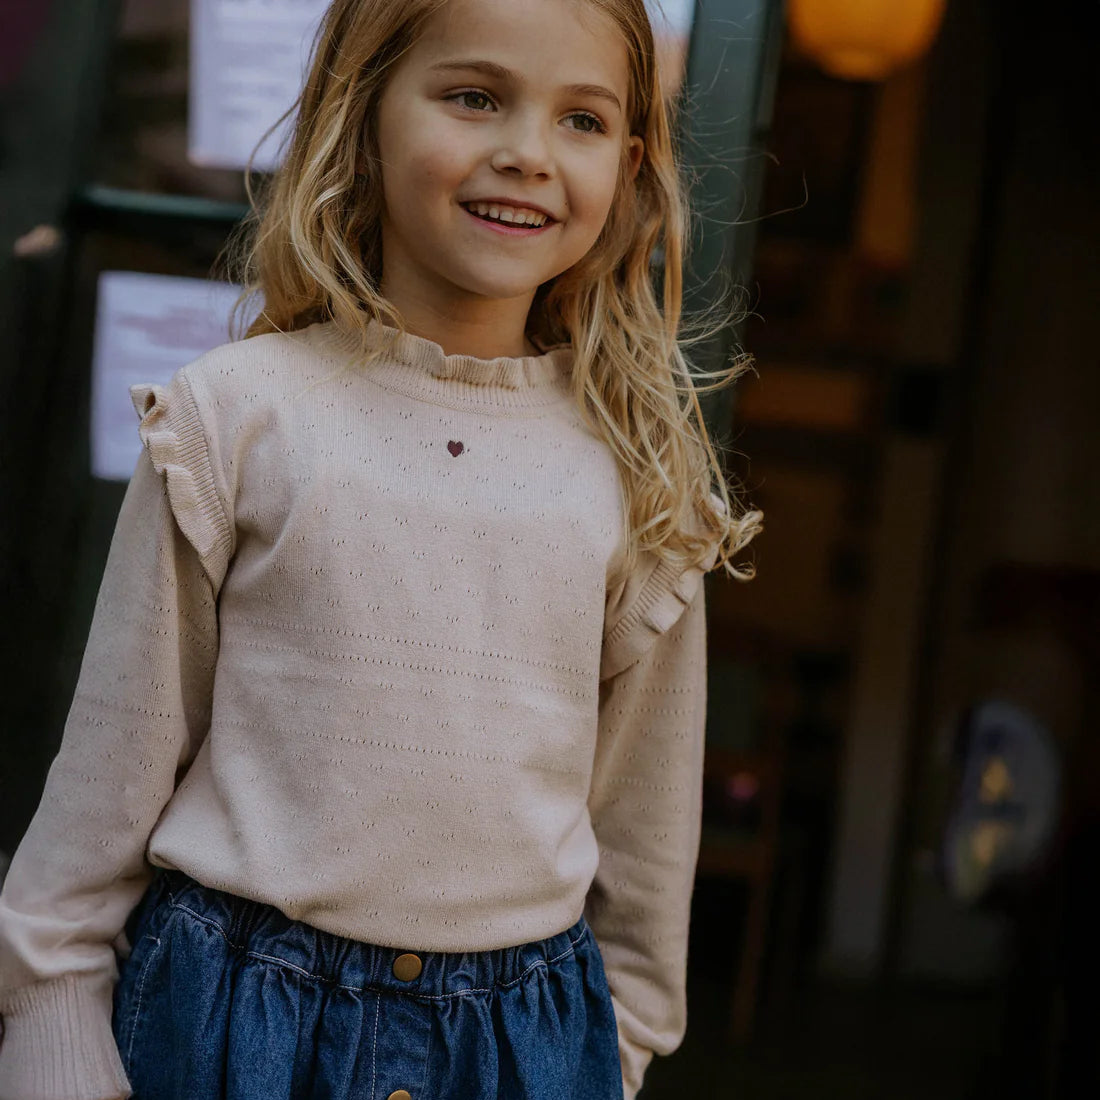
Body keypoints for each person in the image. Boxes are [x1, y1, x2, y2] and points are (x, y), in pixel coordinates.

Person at [0, 0, 762, 1096]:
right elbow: (99, 803)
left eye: (581, 120)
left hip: (517, 1051)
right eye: (473, 97)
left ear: (631, 169)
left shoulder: (637, 478)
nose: (525, 153)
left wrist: (612, 1053)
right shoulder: (236, 419)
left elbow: (642, 861)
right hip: (226, 1022)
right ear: (363, 119)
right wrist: (56, 1035)